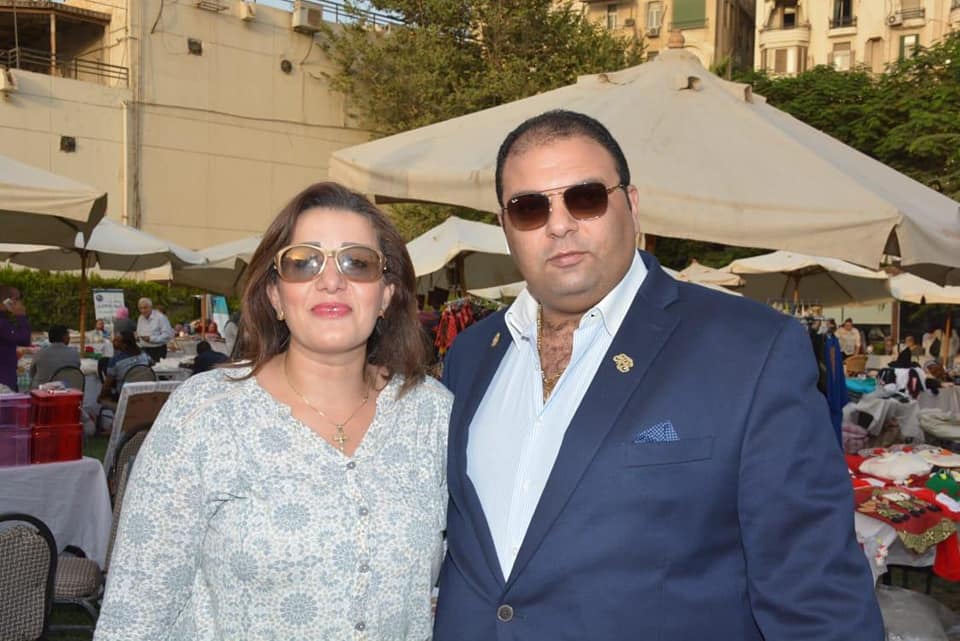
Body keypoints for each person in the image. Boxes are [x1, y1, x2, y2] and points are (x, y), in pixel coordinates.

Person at [434, 110, 883, 641]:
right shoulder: (471, 355)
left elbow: (816, 594)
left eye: (585, 198)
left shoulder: (749, 351)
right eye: (530, 207)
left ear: (632, 204)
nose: (559, 224)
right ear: (506, 227)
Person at [95, 182, 451, 641]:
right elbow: (134, 616)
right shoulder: (205, 416)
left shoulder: (430, 415)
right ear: (276, 296)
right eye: (303, 262)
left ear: (385, 295)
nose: (331, 280)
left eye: (357, 262)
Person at [97, 331, 152, 402]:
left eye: (116, 340)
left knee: (104, 363)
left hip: (125, 395)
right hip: (145, 391)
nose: (113, 341)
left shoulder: (115, 360)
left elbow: (107, 384)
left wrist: (101, 396)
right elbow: (151, 365)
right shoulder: (144, 355)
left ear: (124, 345)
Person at [29, 325, 80, 389]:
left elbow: (31, 374)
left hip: (42, 393)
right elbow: (76, 372)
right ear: (64, 337)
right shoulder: (74, 353)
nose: (69, 337)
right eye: (68, 335)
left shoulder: (40, 353)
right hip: (68, 392)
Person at [0, 285, 30, 392]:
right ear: (6, 301)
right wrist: (21, 316)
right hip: (4, 381)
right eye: (17, 299)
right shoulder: (2, 323)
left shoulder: (4, 320)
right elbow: (24, 339)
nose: (20, 303)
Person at [136, 297, 174, 362]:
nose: (143, 310)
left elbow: (167, 335)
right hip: (144, 350)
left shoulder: (160, 317)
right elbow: (139, 332)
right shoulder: (140, 318)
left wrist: (151, 339)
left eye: (145, 308)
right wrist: (137, 337)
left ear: (151, 307)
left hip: (157, 350)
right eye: (140, 308)